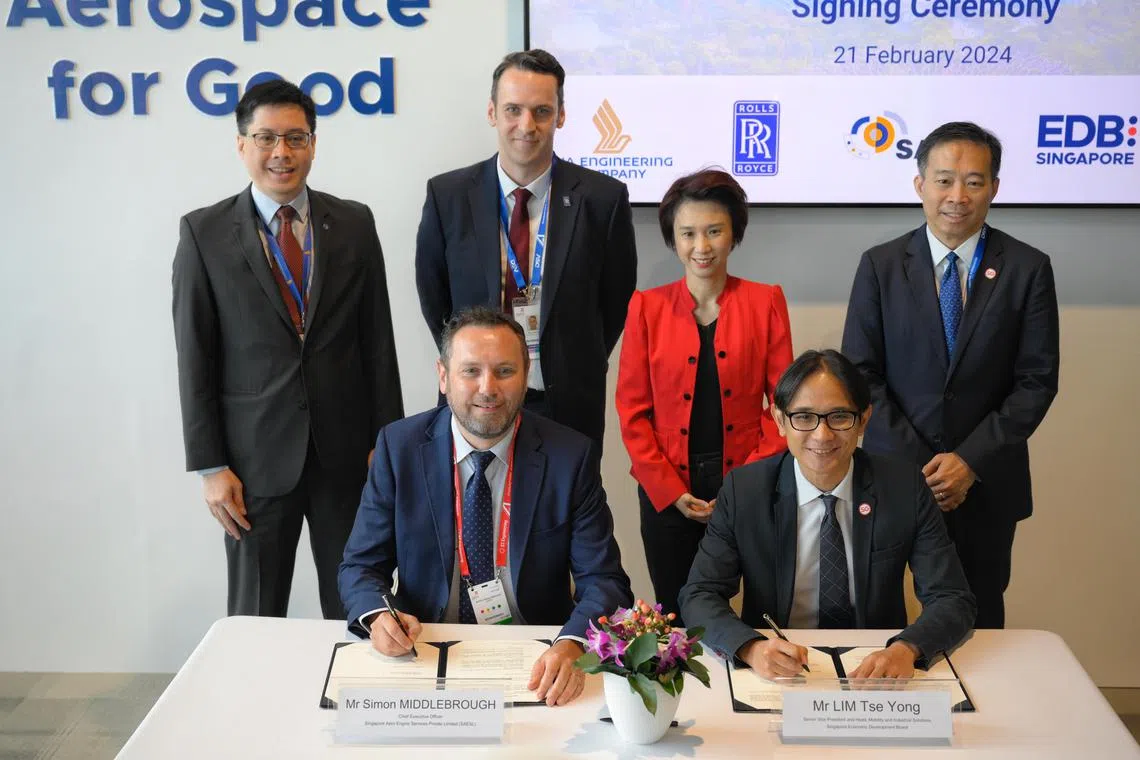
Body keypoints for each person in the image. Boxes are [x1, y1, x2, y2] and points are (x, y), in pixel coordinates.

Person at [172, 79, 403, 620]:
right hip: (253, 465)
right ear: (241, 145)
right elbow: (195, 358)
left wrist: (384, 443)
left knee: (359, 602)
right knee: (255, 611)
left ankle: (350, 702)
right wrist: (210, 465)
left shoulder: (353, 222)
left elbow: (378, 340)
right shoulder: (203, 233)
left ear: (314, 144)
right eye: (266, 138)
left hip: (345, 456)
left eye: (296, 138)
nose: (282, 153)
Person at [339, 306, 633, 706]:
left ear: (526, 377)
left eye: (505, 371)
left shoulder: (570, 456)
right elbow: (360, 566)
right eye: (471, 371)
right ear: (443, 377)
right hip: (426, 649)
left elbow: (605, 581)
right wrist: (377, 617)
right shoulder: (399, 448)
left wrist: (572, 644)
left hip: (535, 659)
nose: (488, 388)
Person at [841, 121, 1059, 629]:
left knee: (978, 617)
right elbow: (859, 375)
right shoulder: (880, 265)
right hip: (893, 478)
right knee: (877, 615)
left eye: (974, 181)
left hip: (985, 483)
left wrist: (968, 462)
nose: (957, 196)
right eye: (944, 180)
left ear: (995, 188)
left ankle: (979, 713)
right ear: (920, 185)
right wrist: (924, 465)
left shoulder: (1027, 268)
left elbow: (1037, 380)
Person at [679, 350, 976, 679]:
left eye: (839, 417)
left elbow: (953, 598)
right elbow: (699, 594)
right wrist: (752, 648)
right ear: (779, 420)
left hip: (874, 665)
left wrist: (906, 649)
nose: (822, 435)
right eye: (804, 417)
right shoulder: (744, 492)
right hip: (780, 665)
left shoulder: (904, 488)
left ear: (863, 419)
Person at [414, 49, 637, 450]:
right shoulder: (447, 196)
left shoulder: (603, 200)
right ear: (492, 112)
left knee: (566, 511)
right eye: (513, 109)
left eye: (541, 111)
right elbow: (435, 299)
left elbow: (614, 301)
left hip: (566, 402)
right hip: (476, 401)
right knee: (477, 509)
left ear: (561, 115)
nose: (526, 125)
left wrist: (570, 358)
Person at [615, 169, 793, 624]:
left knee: (762, 613)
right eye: (688, 233)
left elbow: (785, 407)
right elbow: (633, 412)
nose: (702, 246)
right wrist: (670, 491)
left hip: (752, 487)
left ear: (734, 233)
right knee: (676, 616)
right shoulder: (645, 307)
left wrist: (743, 486)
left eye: (714, 231)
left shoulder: (766, 301)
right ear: (673, 239)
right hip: (669, 494)